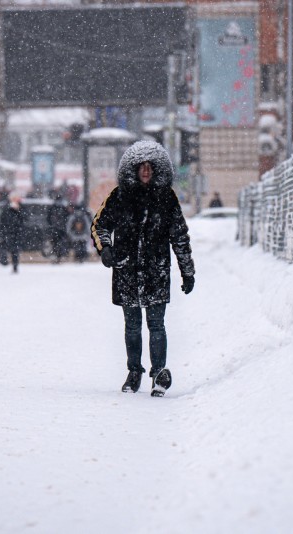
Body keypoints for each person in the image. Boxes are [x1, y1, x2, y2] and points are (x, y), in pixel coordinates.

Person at [91, 140, 195, 397]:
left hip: (155, 273)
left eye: (150, 166)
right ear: (134, 169)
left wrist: (187, 271)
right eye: (142, 166)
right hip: (126, 271)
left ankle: (159, 373)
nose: (146, 170)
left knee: (156, 324)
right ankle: (134, 371)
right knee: (132, 325)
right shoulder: (119, 196)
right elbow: (99, 225)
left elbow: (180, 236)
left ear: (157, 169)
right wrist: (105, 249)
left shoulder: (167, 198)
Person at [0, 196, 24, 274]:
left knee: (14, 251)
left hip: (13, 235)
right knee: (12, 251)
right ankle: (8, 263)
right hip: (10, 234)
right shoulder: (8, 212)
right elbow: (3, 223)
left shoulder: (18, 212)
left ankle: (14, 266)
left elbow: (21, 223)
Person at [47, 195, 69, 263]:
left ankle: (56, 256)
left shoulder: (52, 207)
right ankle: (59, 256)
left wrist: (51, 225)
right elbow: (67, 218)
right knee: (61, 243)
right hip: (61, 229)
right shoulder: (63, 208)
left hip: (55, 229)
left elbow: (48, 218)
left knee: (54, 243)